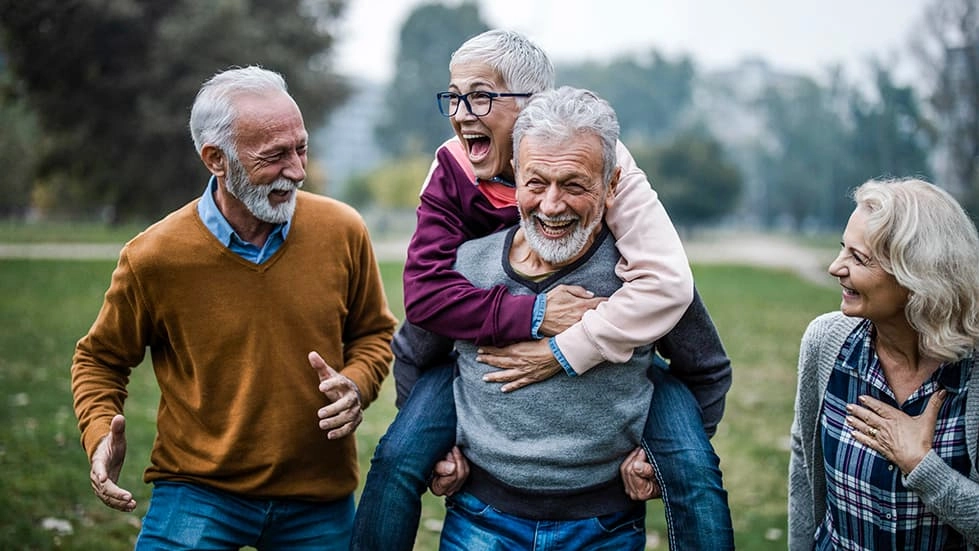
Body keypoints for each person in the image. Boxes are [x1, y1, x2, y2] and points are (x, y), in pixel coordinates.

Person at [352, 30, 733, 550]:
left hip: (603, 496)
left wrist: (563, 352)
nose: (463, 112)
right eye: (455, 97)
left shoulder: (608, 163)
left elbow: (671, 289)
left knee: (691, 467)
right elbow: (423, 301)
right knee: (398, 457)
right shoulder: (452, 170)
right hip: (482, 434)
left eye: (481, 96)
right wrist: (534, 314)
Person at [70, 66, 397, 550]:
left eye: (301, 148)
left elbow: (374, 332)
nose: (298, 170)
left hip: (317, 494)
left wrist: (357, 384)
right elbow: (99, 359)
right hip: (198, 490)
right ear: (216, 159)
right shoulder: (154, 256)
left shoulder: (342, 229)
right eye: (275, 156)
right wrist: (100, 432)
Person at [435, 85, 660, 549]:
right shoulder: (468, 265)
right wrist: (438, 447)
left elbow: (707, 369)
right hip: (480, 520)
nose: (552, 205)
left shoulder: (640, 277)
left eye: (574, 184)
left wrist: (655, 458)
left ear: (612, 183)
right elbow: (414, 355)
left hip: (605, 526)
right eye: (536, 183)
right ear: (515, 175)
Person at [788, 177, 979, 550]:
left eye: (858, 258)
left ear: (919, 276)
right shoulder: (826, 342)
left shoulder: (972, 372)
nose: (834, 267)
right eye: (843, 249)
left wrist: (922, 465)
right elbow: (803, 472)